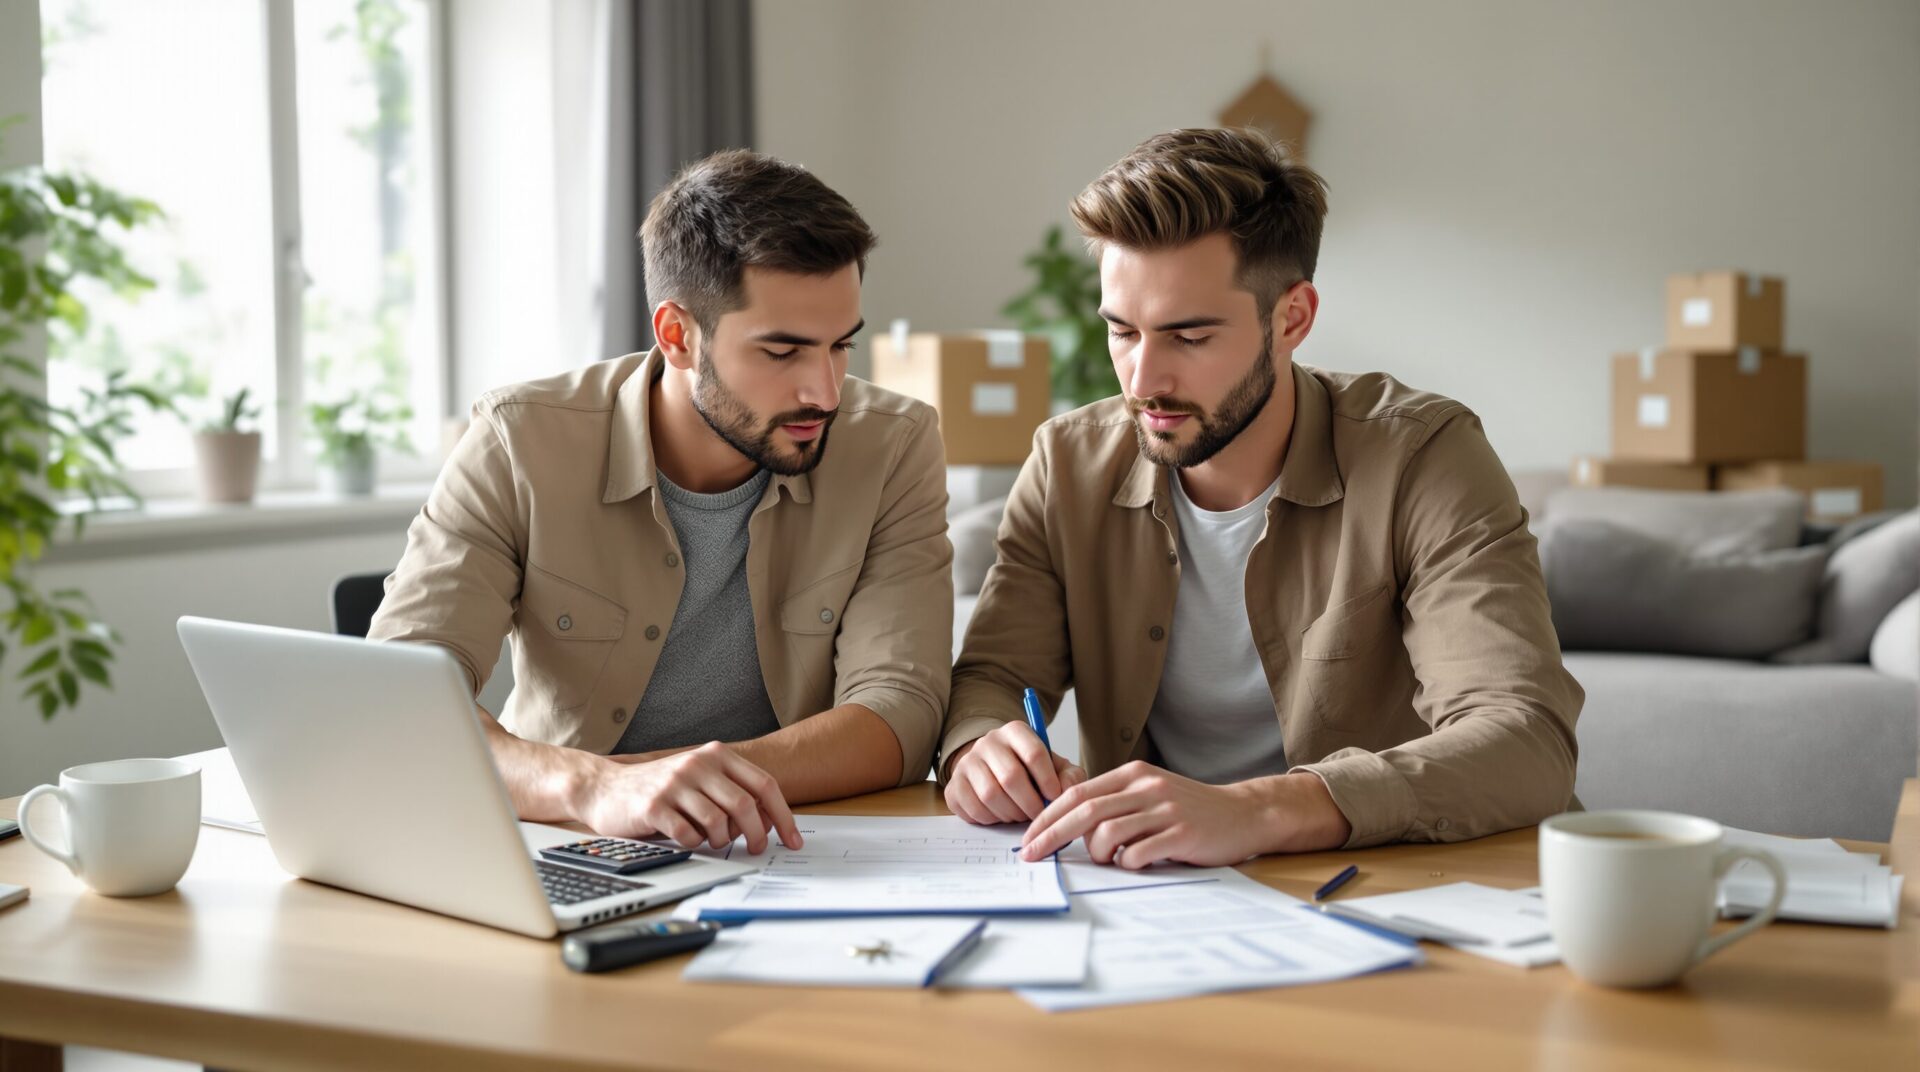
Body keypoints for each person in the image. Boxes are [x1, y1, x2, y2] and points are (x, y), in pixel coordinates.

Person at [943, 127, 1583, 867]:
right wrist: (981, 748)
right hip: (1163, 895)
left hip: (1399, 885)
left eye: (1188, 337)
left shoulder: (1425, 455)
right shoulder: (1066, 465)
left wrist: (1259, 809)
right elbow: (992, 678)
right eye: (1123, 331)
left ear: (1292, 319)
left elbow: (1524, 734)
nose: (1143, 378)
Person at [370, 150, 953, 854]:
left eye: (840, 347)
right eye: (783, 352)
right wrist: (592, 789)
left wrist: (662, 785)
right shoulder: (519, 440)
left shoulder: (895, 445)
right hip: (565, 841)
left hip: (793, 848)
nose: (824, 392)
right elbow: (402, 701)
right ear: (678, 336)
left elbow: (900, 714)